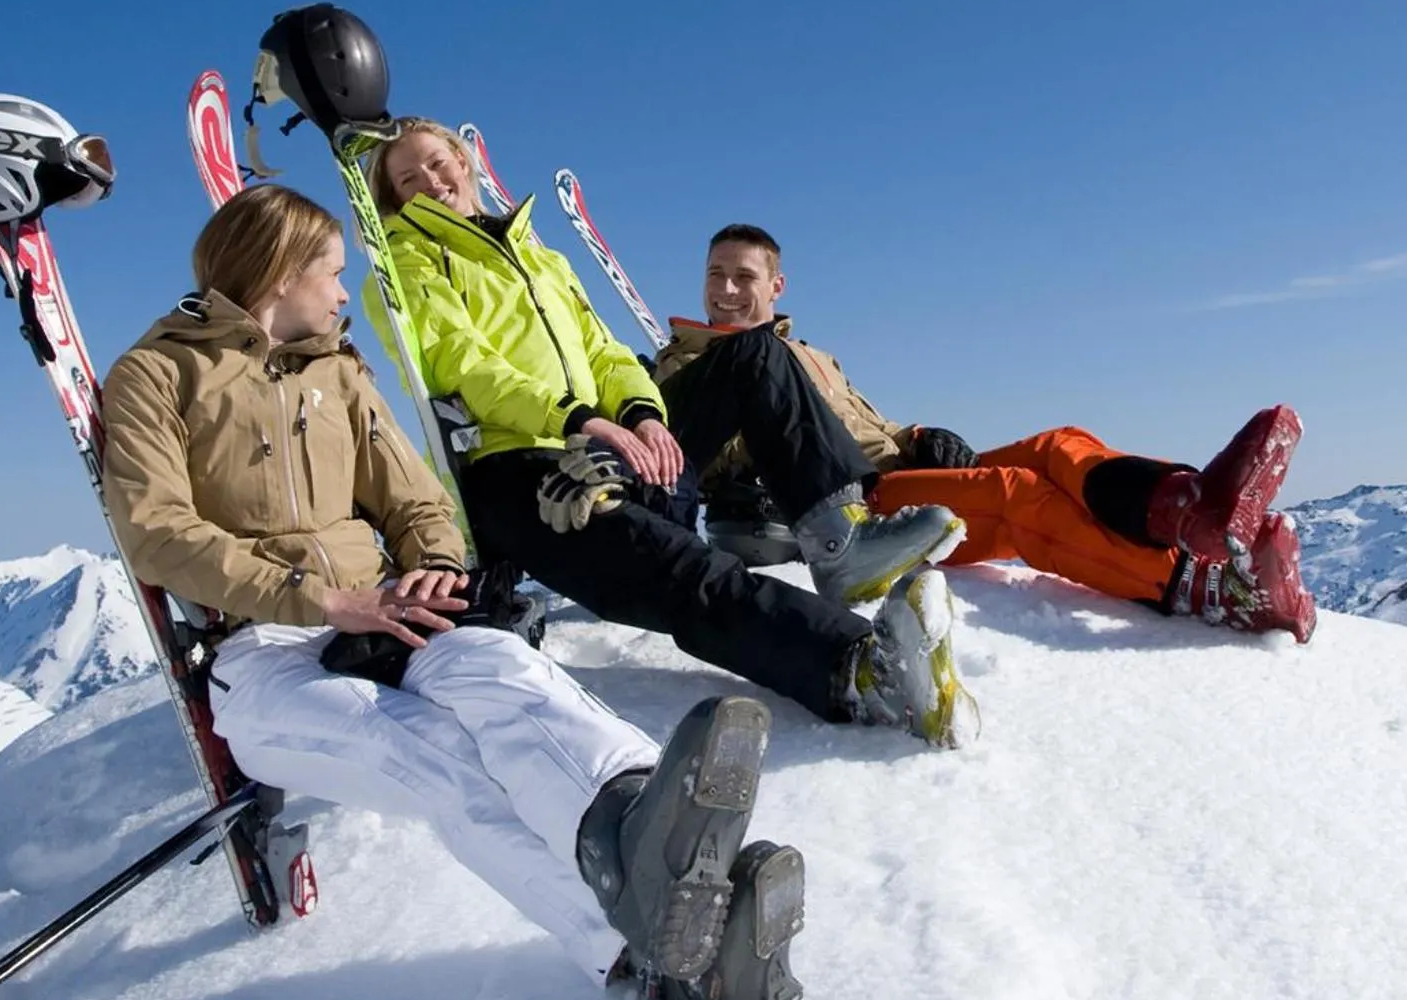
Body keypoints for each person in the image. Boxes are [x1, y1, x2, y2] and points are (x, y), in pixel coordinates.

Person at [98, 183, 805, 1000]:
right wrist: (322, 598)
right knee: (435, 755)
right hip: (261, 648)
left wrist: (433, 565)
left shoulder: (337, 374)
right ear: (281, 272)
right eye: (332, 271)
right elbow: (157, 534)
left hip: (387, 613)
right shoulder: (158, 374)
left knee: (512, 677)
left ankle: (651, 821)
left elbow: (418, 501)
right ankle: (646, 959)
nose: (342, 291)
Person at [355, 114, 980, 748]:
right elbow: (465, 366)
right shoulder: (403, 263)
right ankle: (860, 670)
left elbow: (605, 352)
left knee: (754, 353)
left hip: (606, 445)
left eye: (438, 163)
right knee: (684, 570)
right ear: (394, 199)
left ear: (462, 163)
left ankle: (839, 543)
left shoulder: (538, 256)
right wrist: (578, 419)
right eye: (408, 179)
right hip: (524, 469)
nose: (430, 181)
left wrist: (642, 415)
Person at [654, 224, 1317, 643]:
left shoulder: (809, 356)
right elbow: (707, 459)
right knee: (1014, 494)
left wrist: (918, 433)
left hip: (898, 470)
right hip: (851, 503)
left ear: (776, 285)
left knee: (1058, 443)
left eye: (744, 276)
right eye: (716, 274)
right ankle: (1207, 589)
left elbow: (873, 429)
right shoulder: (690, 366)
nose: (727, 290)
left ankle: (1186, 510)